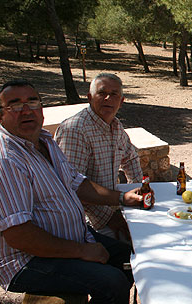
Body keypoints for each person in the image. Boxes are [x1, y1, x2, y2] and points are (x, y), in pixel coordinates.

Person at [0, 79, 151, 304]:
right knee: (112, 282)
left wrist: (121, 198)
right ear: (0, 114)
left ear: (42, 108)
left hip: (70, 238)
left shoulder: (42, 141)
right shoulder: (3, 161)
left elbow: (76, 182)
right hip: (25, 261)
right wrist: (82, 251)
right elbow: (19, 236)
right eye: (14, 105)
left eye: (32, 102)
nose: (26, 111)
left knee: (133, 258)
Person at [55, 73, 142, 242]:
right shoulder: (76, 130)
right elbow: (71, 187)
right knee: (139, 245)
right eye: (102, 93)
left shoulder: (115, 126)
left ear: (121, 101)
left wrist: (140, 189)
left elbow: (130, 158)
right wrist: (110, 218)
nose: (108, 98)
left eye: (114, 94)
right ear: (89, 97)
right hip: (85, 223)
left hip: (111, 209)